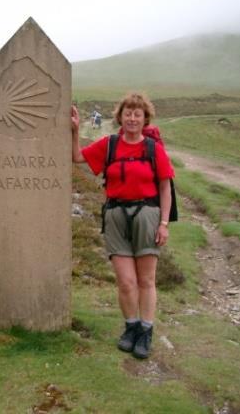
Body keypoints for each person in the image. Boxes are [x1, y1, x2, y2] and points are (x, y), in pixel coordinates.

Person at [71, 92, 173, 359]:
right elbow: (78, 158)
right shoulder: (109, 145)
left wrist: (164, 223)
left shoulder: (153, 149)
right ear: (120, 116)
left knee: (146, 279)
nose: (132, 118)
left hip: (147, 215)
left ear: (145, 118)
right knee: (126, 282)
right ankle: (131, 327)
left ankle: (146, 331)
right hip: (115, 215)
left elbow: (165, 187)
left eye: (137, 114)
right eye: (128, 113)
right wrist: (74, 130)